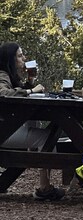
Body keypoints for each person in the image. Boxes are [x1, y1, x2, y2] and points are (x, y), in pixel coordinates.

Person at [0, 42, 65, 201]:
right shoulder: (1, 74)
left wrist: (30, 81)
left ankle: (33, 161)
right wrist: (31, 90)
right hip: (3, 131)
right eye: (20, 55)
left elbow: (17, 92)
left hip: (7, 128)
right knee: (47, 138)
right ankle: (45, 189)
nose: (24, 58)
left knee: (36, 123)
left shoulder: (9, 76)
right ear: (10, 59)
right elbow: (3, 93)